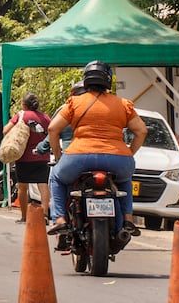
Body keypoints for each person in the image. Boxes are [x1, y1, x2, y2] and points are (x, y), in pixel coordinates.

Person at [47, 61, 147, 237]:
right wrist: (128, 153)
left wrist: (58, 156)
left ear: (86, 80)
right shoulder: (123, 104)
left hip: (78, 157)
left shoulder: (74, 103)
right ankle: (128, 219)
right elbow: (142, 131)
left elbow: (52, 129)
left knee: (57, 177)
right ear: (108, 81)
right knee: (124, 179)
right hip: (117, 158)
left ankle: (60, 219)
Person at [3, 93, 52, 224]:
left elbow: (5, 130)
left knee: (22, 187)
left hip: (24, 158)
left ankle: (24, 217)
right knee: (43, 185)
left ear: (24, 104)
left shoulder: (21, 115)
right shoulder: (45, 117)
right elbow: (53, 131)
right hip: (42, 157)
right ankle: (45, 215)